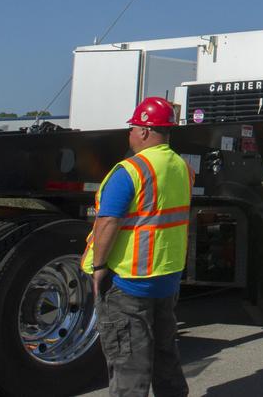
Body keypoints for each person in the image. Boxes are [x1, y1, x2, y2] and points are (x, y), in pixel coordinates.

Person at [82, 97, 193, 397]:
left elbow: (108, 223)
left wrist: (99, 266)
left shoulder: (131, 170)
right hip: (166, 275)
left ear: (144, 131)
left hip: (128, 280)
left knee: (129, 362)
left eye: (132, 127)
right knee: (165, 354)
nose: (129, 133)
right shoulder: (182, 166)